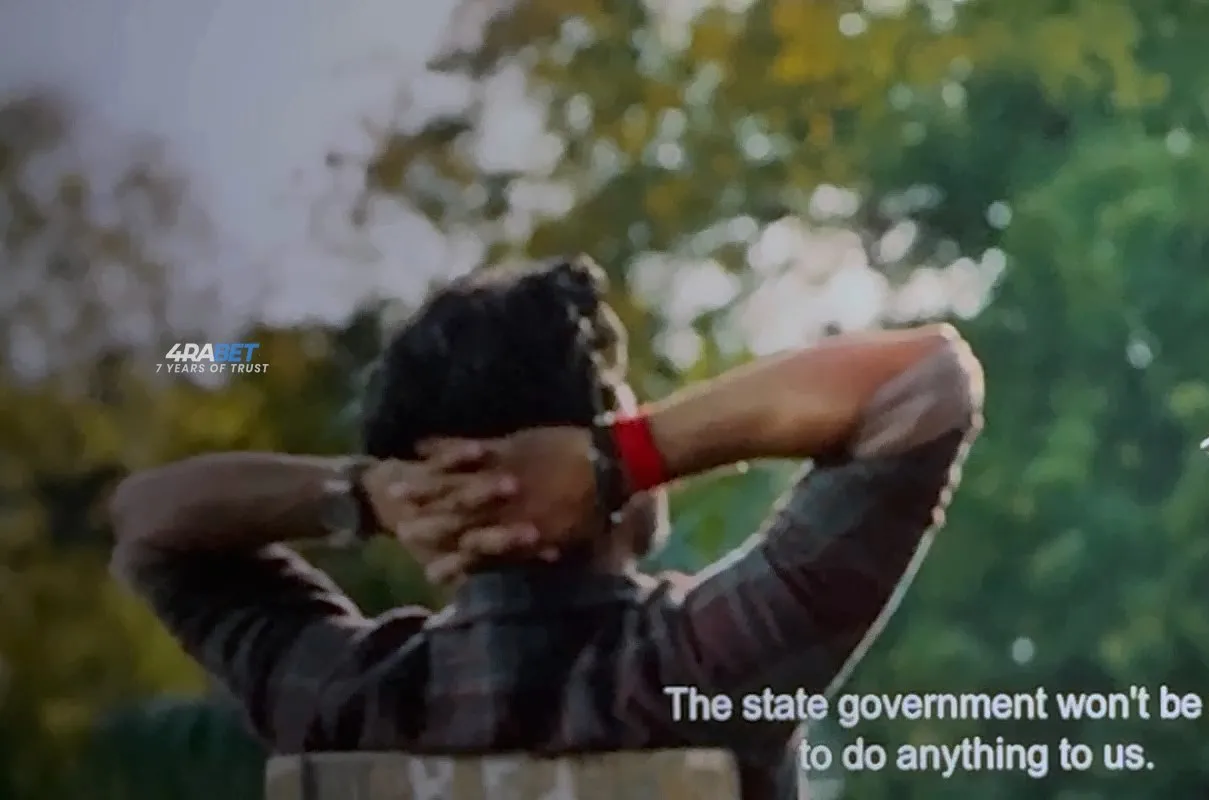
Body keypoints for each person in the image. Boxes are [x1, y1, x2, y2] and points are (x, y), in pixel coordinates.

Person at [109, 257, 984, 800]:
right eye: (621, 416)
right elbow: (927, 380)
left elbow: (146, 518)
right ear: (586, 448)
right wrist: (624, 457)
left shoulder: (351, 705)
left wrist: (363, 495)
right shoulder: (710, 672)